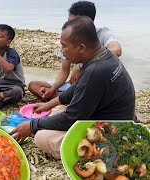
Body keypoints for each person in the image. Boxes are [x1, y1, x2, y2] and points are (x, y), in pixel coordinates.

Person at [10, 16, 135, 160]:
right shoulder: (104, 55)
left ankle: (93, 154)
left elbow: (71, 118)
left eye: (64, 46)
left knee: (41, 137)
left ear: (81, 47)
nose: (62, 51)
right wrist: (49, 104)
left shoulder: (95, 72)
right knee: (56, 110)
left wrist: (32, 126)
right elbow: (76, 87)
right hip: (109, 116)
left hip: (111, 133)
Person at [28, 1, 123, 101]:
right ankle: (66, 100)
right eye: (69, 21)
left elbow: (117, 50)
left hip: (92, 85)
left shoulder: (102, 33)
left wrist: (82, 67)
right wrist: (52, 89)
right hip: (73, 85)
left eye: (73, 22)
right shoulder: (69, 38)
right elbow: (64, 71)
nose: (69, 25)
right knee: (34, 85)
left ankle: (68, 101)